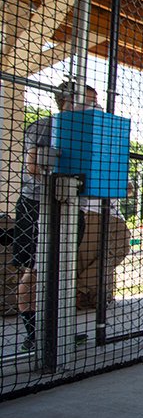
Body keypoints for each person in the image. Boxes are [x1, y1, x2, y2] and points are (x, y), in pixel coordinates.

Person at [13, 82, 93, 351]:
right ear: (67, 102)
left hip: (72, 208)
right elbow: (34, 165)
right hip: (39, 205)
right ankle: (34, 333)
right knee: (33, 271)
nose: (93, 107)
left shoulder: (87, 133)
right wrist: (62, 179)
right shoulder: (46, 126)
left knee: (64, 272)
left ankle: (60, 329)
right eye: (88, 101)